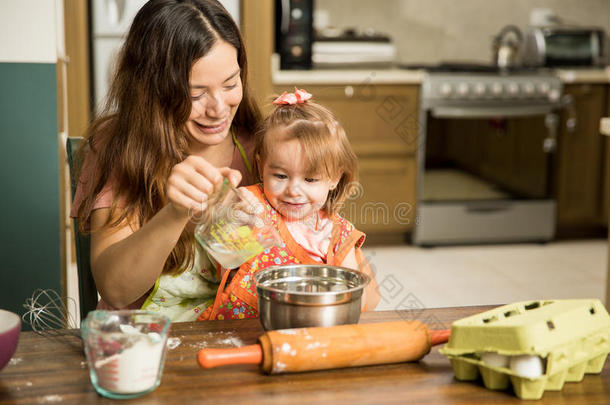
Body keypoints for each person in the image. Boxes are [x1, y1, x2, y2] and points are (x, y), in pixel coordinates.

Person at [71, 0, 261, 321]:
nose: (218, 108)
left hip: (234, 339)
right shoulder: (118, 148)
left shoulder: (259, 144)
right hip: (146, 343)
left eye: (230, 83)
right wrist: (176, 213)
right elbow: (115, 290)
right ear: (154, 91)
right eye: (196, 94)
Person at [196, 88, 380, 321]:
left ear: (335, 178)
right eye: (281, 176)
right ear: (262, 166)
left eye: (310, 179)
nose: (293, 190)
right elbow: (219, 251)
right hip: (237, 329)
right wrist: (227, 215)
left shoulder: (338, 234)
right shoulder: (252, 204)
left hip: (308, 328)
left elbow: (358, 298)